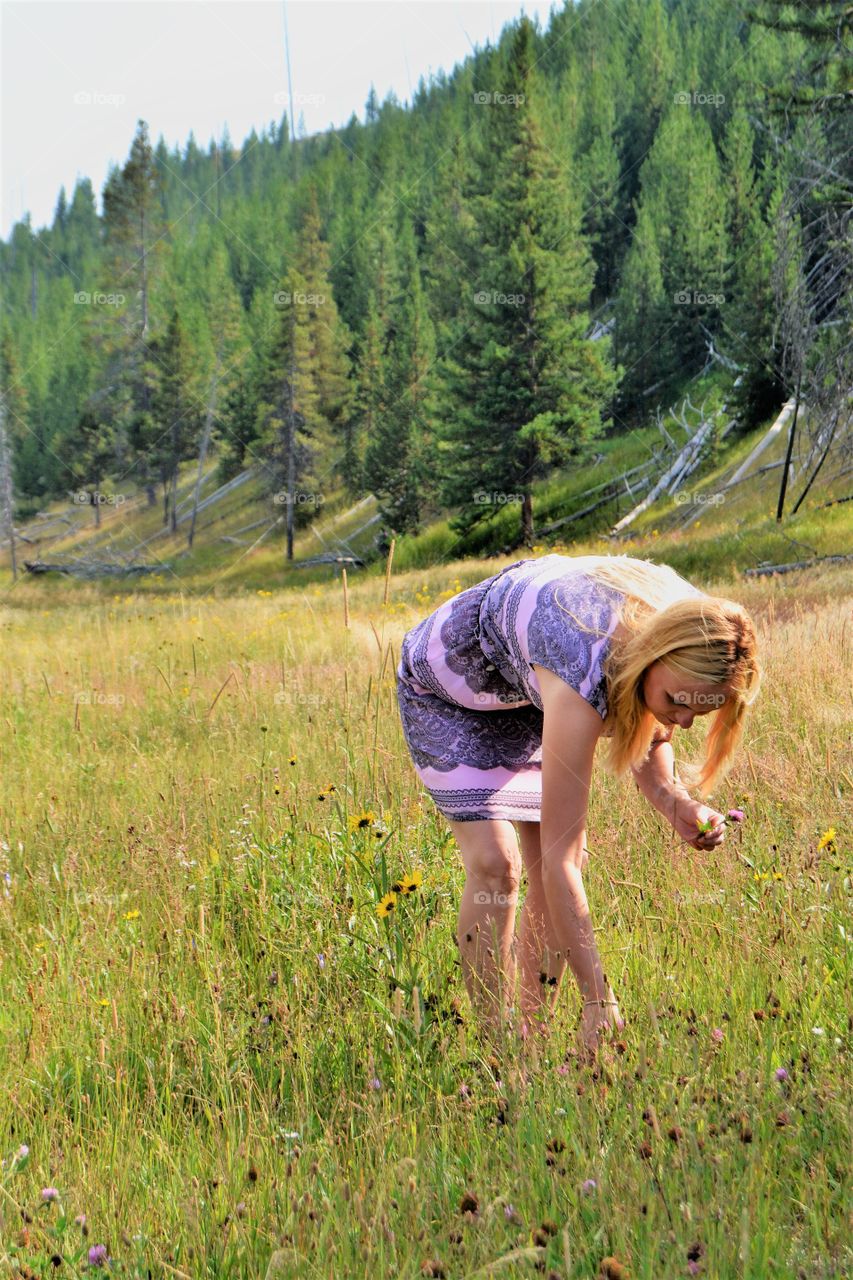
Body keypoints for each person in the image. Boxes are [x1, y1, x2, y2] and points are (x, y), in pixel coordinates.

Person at [395, 552, 761, 1060]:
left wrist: (673, 799)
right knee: (498, 867)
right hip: (452, 691)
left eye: (702, 708)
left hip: (530, 686)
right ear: (652, 657)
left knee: (556, 865)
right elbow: (559, 860)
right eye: (678, 702)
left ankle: (533, 1040)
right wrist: (598, 997)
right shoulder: (582, 664)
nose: (683, 722)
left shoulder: (694, 628)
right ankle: (498, 1051)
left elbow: (646, 724)